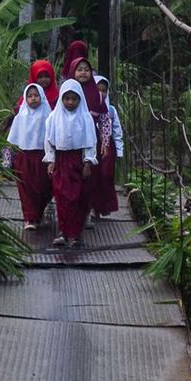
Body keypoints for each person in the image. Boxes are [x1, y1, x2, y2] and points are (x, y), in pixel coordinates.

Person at [44, 80, 97, 248]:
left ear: (80, 99)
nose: (70, 102)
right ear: (61, 99)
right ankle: (63, 232)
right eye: (66, 99)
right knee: (61, 197)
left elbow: (90, 142)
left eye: (74, 99)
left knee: (78, 197)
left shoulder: (85, 117)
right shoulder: (54, 117)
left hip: (78, 162)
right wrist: (51, 160)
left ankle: (76, 234)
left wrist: (88, 161)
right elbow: (49, 140)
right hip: (61, 161)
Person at [69, 58, 117, 223]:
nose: (83, 73)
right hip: (70, 143)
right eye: (79, 69)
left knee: (90, 177)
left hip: (91, 141)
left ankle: (86, 211)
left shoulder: (96, 95)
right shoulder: (67, 92)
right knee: (71, 176)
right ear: (73, 72)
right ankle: (71, 211)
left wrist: (104, 143)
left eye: (86, 70)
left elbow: (104, 120)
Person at [7, 83, 53, 229]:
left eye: (36, 95)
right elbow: (12, 139)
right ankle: (29, 217)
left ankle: (37, 213)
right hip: (24, 156)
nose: (33, 99)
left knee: (43, 187)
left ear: (42, 97)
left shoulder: (48, 116)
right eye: (30, 96)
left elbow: (52, 136)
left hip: (43, 157)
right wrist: (7, 160)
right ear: (25, 98)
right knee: (25, 187)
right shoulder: (21, 116)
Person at [95, 75, 124, 211]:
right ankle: (93, 206)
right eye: (97, 90)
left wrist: (119, 150)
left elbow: (117, 130)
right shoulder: (88, 109)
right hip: (93, 146)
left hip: (107, 147)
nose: (101, 94)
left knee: (106, 176)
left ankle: (104, 206)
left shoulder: (111, 110)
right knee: (94, 177)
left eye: (104, 90)